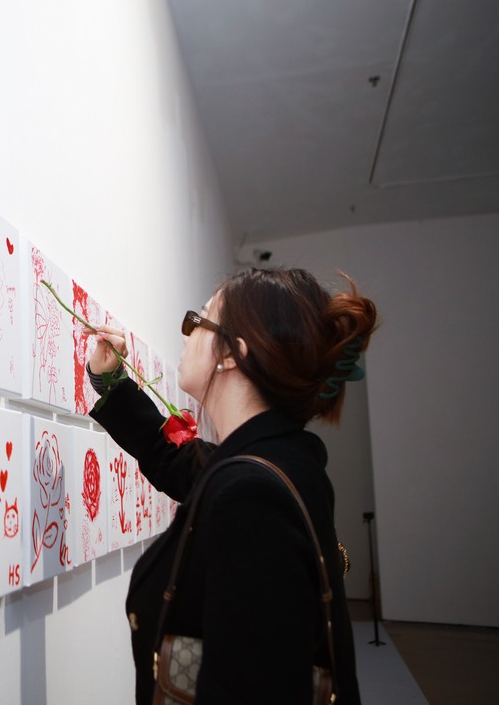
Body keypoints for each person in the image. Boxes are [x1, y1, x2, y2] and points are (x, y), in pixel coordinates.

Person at [87, 267, 376, 704]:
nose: (186, 334)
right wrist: (110, 382)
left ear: (231, 353)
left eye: (198, 320)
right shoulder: (275, 459)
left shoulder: (254, 494)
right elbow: (177, 459)